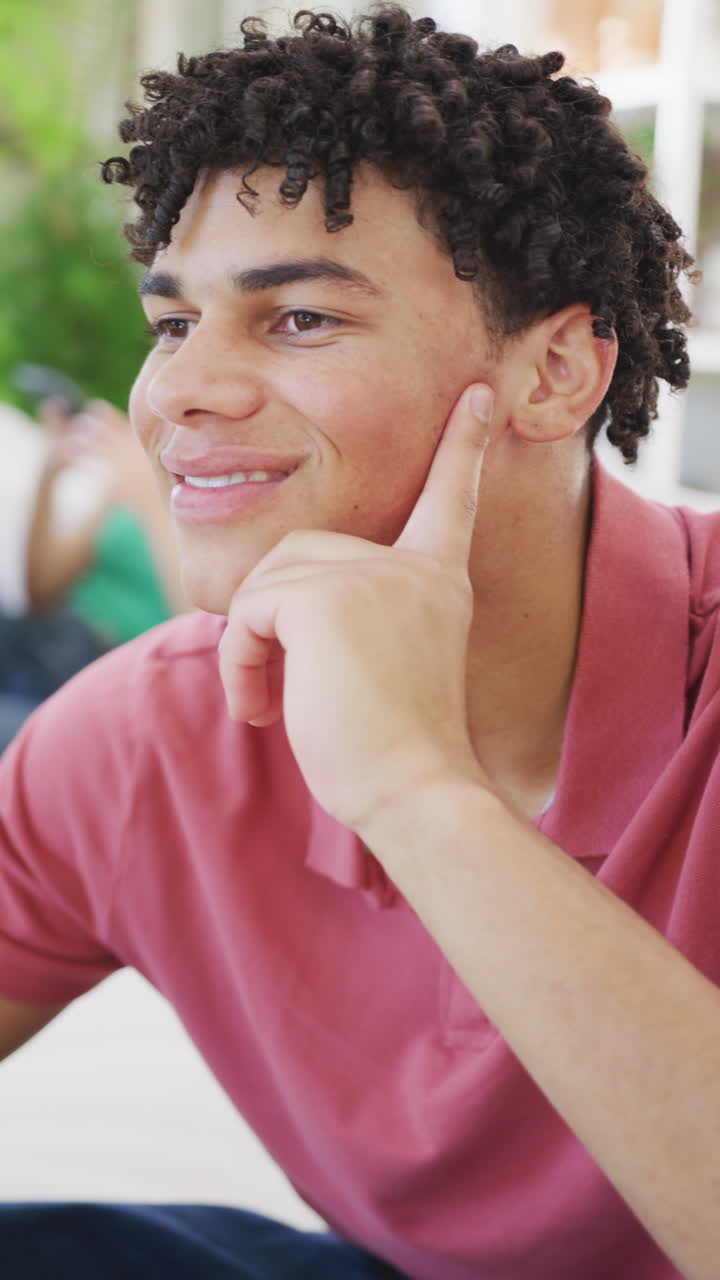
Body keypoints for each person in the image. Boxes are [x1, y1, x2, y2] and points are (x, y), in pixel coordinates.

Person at [0, 7, 716, 1278]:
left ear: (556, 372)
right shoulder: (138, 740)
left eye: (300, 320)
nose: (175, 394)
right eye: (173, 324)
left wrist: (413, 786)